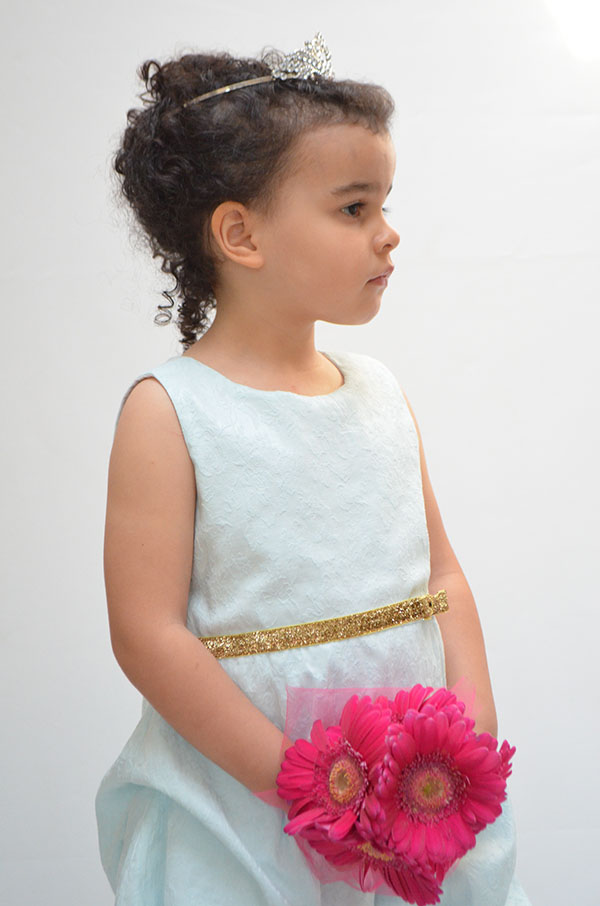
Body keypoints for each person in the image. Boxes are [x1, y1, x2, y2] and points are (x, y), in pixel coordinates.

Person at [96, 33, 531, 906]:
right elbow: (149, 634)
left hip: (413, 791)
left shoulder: (379, 393)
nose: (388, 233)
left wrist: (472, 722)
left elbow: (439, 576)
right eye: (354, 208)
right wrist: (296, 784)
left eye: (384, 204)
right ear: (240, 233)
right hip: (249, 796)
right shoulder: (171, 410)